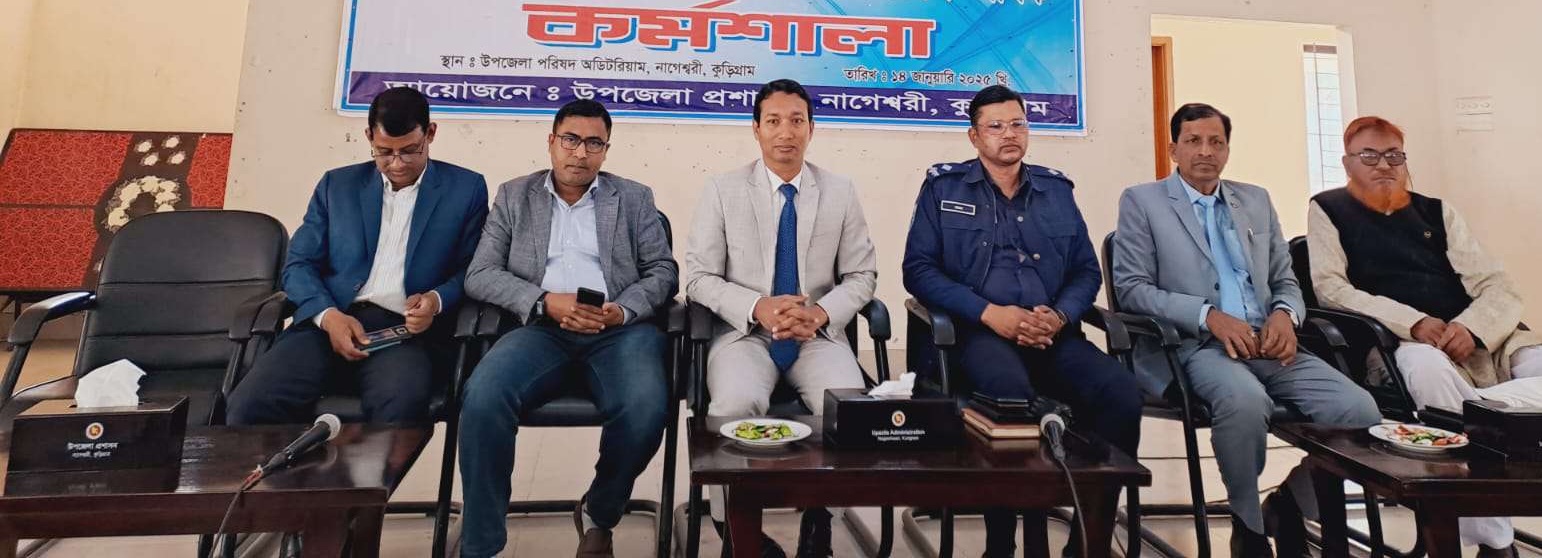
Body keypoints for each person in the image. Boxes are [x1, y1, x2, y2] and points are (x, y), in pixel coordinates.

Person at [1308, 114, 1542, 558]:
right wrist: (1414, 322)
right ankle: (1494, 540)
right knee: (1430, 372)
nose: (1383, 165)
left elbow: (1497, 284)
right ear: (1347, 162)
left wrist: (1473, 329)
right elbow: (1331, 288)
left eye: (1394, 155)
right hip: (1402, 344)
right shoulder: (1328, 209)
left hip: (1483, 341)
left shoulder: (1436, 211)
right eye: (1369, 155)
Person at [1113, 103, 1380, 558]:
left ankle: (1290, 502)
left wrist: (1285, 315)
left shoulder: (1255, 200)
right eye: (1193, 141)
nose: (1206, 151)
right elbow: (1132, 289)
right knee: (1244, 400)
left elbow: (1285, 279)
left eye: (1216, 142)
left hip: (1269, 344)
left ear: (1227, 149)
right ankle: (1248, 525)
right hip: (1195, 346)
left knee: (1359, 409)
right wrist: (1208, 316)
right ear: (1174, 148)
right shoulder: (1143, 202)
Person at [904, 84, 1142, 558]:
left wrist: (1059, 315)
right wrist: (990, 313)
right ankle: (1003, 542)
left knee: (1120, 393)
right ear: (974, 137)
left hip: (1051, 334)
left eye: (1017, 123)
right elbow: (919, 270)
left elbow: (1085, 271)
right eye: (995, 126)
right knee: (1010, 396)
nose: (1009, 134)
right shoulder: (944, 188)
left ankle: (1090, 540)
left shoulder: (1056, 191)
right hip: (977, 333)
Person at [458, 98, 678, 558]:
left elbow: (663, 271)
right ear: (552, 142)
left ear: (606, 150)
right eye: (571, 140)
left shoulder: (634, 197)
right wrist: (544, 302)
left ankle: (600, 512)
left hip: (618, 331)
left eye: (594, 143)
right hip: (542, 328)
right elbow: (480, 274)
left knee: (645, 408)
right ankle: (480, 544)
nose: (580, 152)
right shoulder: (514, 196)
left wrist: (623, 311)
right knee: (482, 398)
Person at [684, 78, 878, 558]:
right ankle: (735, 528)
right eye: (773, 121)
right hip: (745, 333)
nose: (785, 132)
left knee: (846, 404)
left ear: (812, 128)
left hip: (817, 336)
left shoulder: (839, 190)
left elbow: (862, 275)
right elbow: (699, 278)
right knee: (733, 403)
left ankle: (820, 519)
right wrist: (757, 306)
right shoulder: (723, 189)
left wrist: (819, 313)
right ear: (756, 129)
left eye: (796, 121)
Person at [227, 87, 488, 426]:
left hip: (405, 334)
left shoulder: (465, 189)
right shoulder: (337, 186)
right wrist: (327, 315)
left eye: (410, 150)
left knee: (399, 411)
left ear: (431, 134)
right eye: (384, 152)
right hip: (330, 321)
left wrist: (436, 301)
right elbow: (299, 265)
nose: (397, 163)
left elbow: (473, 268)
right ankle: (293, 464)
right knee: (249, 405)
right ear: (368, 137)